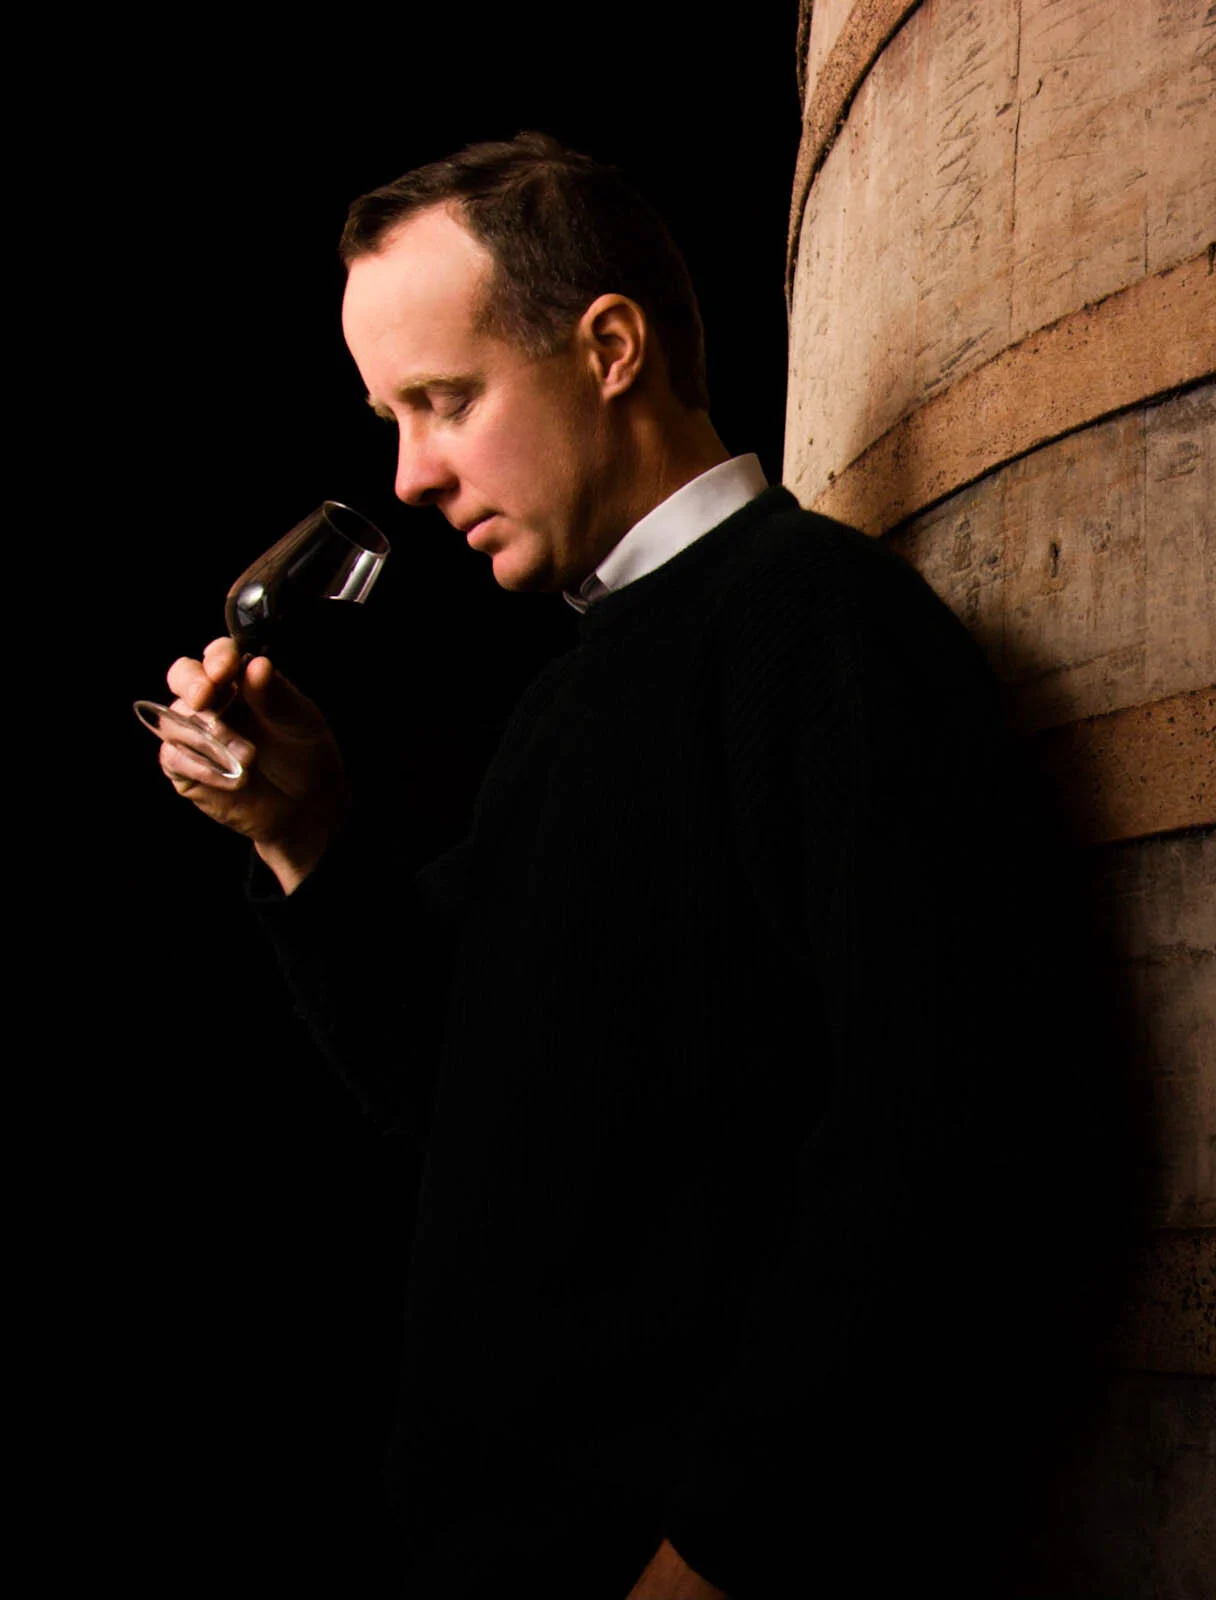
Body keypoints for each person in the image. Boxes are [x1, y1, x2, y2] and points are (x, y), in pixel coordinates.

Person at [154, 133, 1128, 1598]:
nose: (410, 475)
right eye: (392, 418)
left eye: (442, 401)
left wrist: (727, 1547)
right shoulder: (578, 686)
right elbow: (466, 1095)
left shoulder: (826, 633)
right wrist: (306, 834)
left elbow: (939, 1133)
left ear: (608, 347)